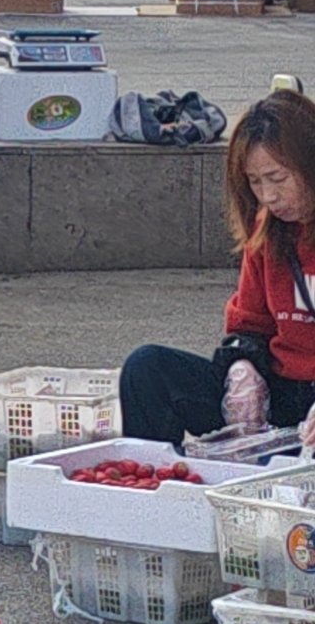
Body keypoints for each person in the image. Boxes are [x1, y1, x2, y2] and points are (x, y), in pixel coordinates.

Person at [121, 92, 315, 447]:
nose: (268, 196)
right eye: (256, 182)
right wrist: (242, 367)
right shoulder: (267, 229)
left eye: (278, 178)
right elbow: (249, 324)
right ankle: (151, 490)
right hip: (281, 396)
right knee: (148, 368)